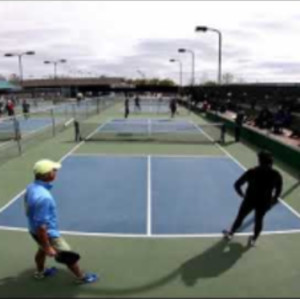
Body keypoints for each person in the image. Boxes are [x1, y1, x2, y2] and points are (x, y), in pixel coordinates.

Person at [24, 159, 98, 284]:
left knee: (41, 250)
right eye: (54, 170)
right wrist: (48, 247)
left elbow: (27, 207)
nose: (56, 172)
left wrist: (44, 245)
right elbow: (42, 227)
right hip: (48, 233)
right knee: (68, 255)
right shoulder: (44, 197)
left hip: (33, 229)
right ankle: (81, 277)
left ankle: (40, 272)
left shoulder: (31, 187)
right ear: (48, 175)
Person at [222, 150, 283, 247]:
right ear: (271, 162)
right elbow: (279, 190)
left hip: (249, 200)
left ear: (259, 161)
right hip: (264, 202)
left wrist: (242, 195)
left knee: (240, 217)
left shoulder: (252, 172)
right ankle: (253, 239)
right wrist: (273, 200)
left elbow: (237, 184)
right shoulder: (276, 174)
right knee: (259, 220)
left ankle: (231, 233)